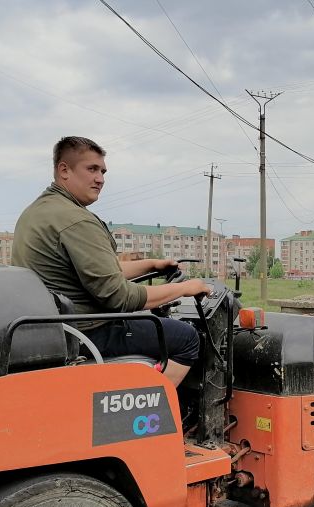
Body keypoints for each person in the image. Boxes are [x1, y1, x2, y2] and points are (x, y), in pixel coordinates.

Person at [12, 136, 210, 386]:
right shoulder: (77, 221)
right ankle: (153, 417)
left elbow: (102, 271)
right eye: (92, 169)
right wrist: (184, 288)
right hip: (87, 332)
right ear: (64, 170)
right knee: (187, 338)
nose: (100, 179)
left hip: (53, 329)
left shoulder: (38, 212)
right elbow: (121, 297)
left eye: (103, 171)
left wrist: (153, 264)